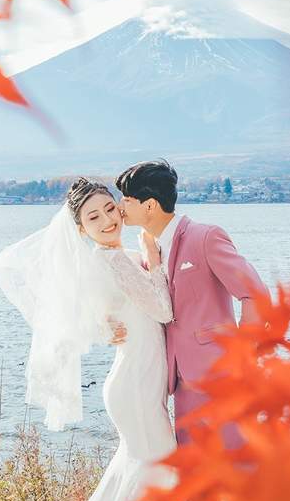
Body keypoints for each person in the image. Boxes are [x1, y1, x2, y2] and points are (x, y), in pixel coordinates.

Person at [0, 177, 184, 501]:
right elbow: (163, 310)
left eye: (109, 210)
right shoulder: (114, 258)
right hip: (134, 386)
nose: (106, 220)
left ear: (119, 208)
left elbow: (106, 314)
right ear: (80, 229)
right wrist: (155, 263)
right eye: (92, 217)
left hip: (131, 383)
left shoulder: (107, 260)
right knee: (163, 471)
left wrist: (107, 321)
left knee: (132, 477)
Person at [115, 159, 268, 450]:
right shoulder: (151, 249)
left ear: (149, 206)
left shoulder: (205, 237)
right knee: (192, 469)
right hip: (179, 380)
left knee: (240, 463)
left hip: (221, 376)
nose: (121, 207)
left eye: (127, 200)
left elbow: (254, 294)